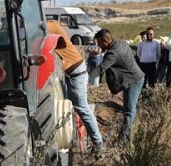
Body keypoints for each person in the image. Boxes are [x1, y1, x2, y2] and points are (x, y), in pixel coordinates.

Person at [46, 19, 104, 151]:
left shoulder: (51, 26)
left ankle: (99, 143)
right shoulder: (51, 26)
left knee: (82, 108)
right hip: (71, 74)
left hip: (76, 74)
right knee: (69, 107)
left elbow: (37, 32)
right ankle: (76, 137)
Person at [95, 29, 145, 142]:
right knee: (128, 108)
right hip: (135, 78)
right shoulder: (120, 42)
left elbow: (101, 68)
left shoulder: (113, 53)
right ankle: (127, 133)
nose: (97, 45)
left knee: (129, 110)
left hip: (134, 81)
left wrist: (85, 77)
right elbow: (133, 54)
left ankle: (123, 138)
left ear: (105, 41)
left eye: (98, 43)